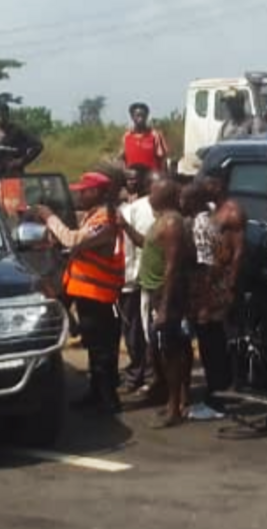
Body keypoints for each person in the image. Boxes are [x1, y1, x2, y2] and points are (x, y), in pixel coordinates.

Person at [35, 172, 124, 414]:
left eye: (84, 191)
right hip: (88, 294)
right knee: (94, 347)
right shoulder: (93, 215)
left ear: (96, 192)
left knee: (102, 350)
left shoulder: (104, 219)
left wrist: (50, 217)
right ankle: (96, 394)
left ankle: (108, 400)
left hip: (100, 296)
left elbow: (73, 240)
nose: (79, 195)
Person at [185, 175, 245, 401]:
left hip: (218, 283)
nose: (204, 186)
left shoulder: (232, 211)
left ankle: (222, 387)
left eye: (208, 183)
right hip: (210, 281)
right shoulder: (212, 212)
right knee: (209, 337)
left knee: (216, 338)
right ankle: (217, 386)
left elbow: (237, 252)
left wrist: (229, 285)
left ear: (219, 186)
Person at [138, 179, 191, 427]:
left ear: (164, 196)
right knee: (165, 349)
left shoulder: (171, 223)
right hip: (156, 292)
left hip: (166, 293)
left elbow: (172, 267)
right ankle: (175, 400)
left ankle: (174, 408)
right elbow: (148, 246)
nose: (149, 195)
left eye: (153, 191)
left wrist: (164, 307)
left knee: (171, 351)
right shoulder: (161, 220)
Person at [117, 166, 159, 393]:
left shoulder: (135, 210)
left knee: (145, 331)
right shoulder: (135, 209)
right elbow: (129, 248)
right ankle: (142, 374)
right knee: (140, 330)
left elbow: (132, 248)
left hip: (146, 281)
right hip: (141, 279)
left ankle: (146, 375)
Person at [121, 102, 169, 173]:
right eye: (137, 116)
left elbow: (162, 159)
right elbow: (122, 158)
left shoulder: (155, 135)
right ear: (132, 117)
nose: (140, 119)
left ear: (147, 116)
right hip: (131, 175)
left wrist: (163, 175)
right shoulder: (127, 136)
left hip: (151, 175)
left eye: (143, 116)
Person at [0, 101, 43, 175]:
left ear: (5, 114)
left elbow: (38, 145)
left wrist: (21, 161)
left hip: (12, 175)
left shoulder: (16, 130)